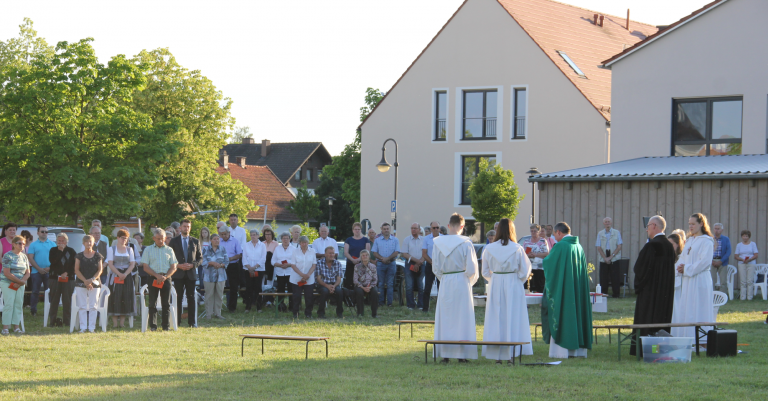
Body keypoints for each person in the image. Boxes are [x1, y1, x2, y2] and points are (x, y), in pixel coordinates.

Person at [482, 218, 533, 363]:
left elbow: (485, 271)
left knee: (497, 316)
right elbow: (525, 271)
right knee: (512, 315)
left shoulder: (489, 248)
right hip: (513, 282)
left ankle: (497, 353)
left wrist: (495, 278)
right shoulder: (517, 248)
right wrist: (517, 280)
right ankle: (511, 352)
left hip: (496, 282)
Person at [432, 213, 479, 363]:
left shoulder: (438, 242)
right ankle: (461, 354)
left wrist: (444, 278)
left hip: (446, 281)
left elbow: (436, 267)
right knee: (461, 316)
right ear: (462, 226)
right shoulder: (466, 243)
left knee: (446, 316)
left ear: (448, 225)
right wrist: (468, 282)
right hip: (461, 281)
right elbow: (472, 269)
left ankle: (445, 353)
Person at [542, 222, 592, 358]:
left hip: (564, 289)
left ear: (559, 232)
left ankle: (561, 351)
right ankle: (578, 351)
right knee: (576, 314)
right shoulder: (579, 246)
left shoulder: (560, 246)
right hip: (576, 289)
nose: (554, 238)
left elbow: (548, 263)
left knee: (563, 313)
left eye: (554, 235)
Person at [629, 216, 676, 356]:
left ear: (654, 226)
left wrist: (639, 285)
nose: (647, 229)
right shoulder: (669, 246)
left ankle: (645, 350)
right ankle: (661, 350)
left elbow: (640, 269)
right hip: (665, 292)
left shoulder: (652, 245)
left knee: (647, 318)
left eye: (648, 226)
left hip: (650, 293)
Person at [671, 213, 715, 342]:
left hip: (700, 279)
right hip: (688, 279)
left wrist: (687, 268)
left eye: (693, 224)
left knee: (699, 308)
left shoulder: (707, 241)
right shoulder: (690, 240)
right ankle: (687, 338)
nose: (690, 226)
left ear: (701, 224)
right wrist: (679, 268)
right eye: (689, 224)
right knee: (687, 308)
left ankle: (701, 340)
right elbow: (682, 258)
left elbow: (704, 262)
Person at [142, 228, 178, 331]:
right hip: (153, 278)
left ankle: (165, 326)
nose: (161, 241)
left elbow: (174, 266)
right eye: (158, 239)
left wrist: (165, 277)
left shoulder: (169, 250)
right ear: (154, 238)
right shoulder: (148, 249)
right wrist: (157, 275)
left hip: (166, 278)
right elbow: (145, 266)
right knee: (152, 302)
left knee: (166, 303)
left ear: (166, 238)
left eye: (162, 239)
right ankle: (153, 326)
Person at [169, 220, 202, 327]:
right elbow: (169, 258)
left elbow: (200, 258)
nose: (186, 228)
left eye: (188, 226)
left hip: (190, 274)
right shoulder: (173, 241)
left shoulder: (195, 241)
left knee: (191, 298)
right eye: (184, 226)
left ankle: (192, 322)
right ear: (180, 228)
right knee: (177, 298)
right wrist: (178, 265)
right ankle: (177, 321)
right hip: (178, 273)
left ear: (190, 228)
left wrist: (193, 265)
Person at [106, 229, 138, 328]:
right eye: (122, 238)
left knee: (126, 297)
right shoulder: (112, 249)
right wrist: (119, 274)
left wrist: (126, 274)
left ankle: (122, 323)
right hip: (115, 274)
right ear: (118, 238)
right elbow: (110, 264)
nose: (124, 240)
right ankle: (115, 323)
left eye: (126, 238)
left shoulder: (129, 249)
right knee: (115, 297)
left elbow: (132, 264)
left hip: (127, 276)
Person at [74, 235, 104, 333]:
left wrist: (91, 280)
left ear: (93, 242)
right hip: (81, 283)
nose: (89, 243)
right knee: (82, 306)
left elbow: (100, 270)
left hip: (94, 283)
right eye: (86, 241)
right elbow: (76, 270)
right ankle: (83, 327)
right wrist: (85, 281)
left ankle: (91, 328)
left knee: (93, 306)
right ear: (83, 243)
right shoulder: (79, 255)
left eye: (90, 241)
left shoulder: (98, 255)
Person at [1, 236, 30, 334]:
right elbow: (7, 273)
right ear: (13, 244)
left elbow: (28, 272)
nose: (22, 245)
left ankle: (16, 327)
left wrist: (22, 281)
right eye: (19, 243)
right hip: (7, 282)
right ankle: (5, 328)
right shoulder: (7, 255)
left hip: (20, 284)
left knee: (18, 304)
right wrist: (19, 281)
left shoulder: (24, 256)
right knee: (9, 304)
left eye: (23, 244)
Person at [48, 233, 76, 327]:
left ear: (66, 241)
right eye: (59, 241)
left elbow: (74, 266)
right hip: (54, 279)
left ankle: (67, 322)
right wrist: (60, 251)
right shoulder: (53, 250)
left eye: (63, 241)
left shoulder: (71, 251)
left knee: (67, 301)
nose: (61, 242)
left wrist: (66, 273)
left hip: (68, 279)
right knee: (54, 300)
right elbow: (53, 262)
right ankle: (52, 321)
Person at [27, 226, 56, 316]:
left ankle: (51, 310)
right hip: (36, 272)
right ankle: (33, 311)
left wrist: (49, 268)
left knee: (50, 292)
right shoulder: (33, 244)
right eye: (42, 231)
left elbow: (56, 259)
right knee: (35, 291)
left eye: (46, 232)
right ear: (38, 233)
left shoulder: (53, 244)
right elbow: (30, 258)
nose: (44, 233)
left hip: (49, 271)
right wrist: (39, 269)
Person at [371, 222, 400, 307]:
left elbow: (396, 252)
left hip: (391, 264)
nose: (386, 230)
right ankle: (381, 302)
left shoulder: (395, 240)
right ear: (381, 230)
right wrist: (382, 259)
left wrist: (388, 259)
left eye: (387, 229)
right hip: (380, 264)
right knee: (380, 283)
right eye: (384, 229)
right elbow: (374, 252)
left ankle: (389, 303)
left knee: (390, 283)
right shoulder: (377, 240)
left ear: (390, 230)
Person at [202, 234, 228, 319]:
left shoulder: (222, 249)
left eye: (218, 239)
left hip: (220, 276)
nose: (217, 240)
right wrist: (212, 263)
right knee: (209, 295)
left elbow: (226, 261)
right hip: (208, 276)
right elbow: (203, 261)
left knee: (219, 295)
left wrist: (220, 265)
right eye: (215, 239)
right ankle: (209, 314)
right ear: (211, 240)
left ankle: (218, 313)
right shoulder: (205, 249)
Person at [596, 217, 623, 298]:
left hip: (614, 256)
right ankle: (604, 294)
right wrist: (605, 258)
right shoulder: (600, 233)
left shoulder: (616, 232)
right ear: (603, 223)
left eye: (609, 222)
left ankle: (616, 294)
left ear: (611, 223)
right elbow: (598, 247)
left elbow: (619, 246)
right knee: (603, 277)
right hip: (603, 255)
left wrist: (611, 257)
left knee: (615, 276)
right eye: (606, 222)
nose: (607, 223)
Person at [290, 236, 316, 319]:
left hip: (309, 278)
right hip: (297, 278)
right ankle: (295, 313)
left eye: (306, 242)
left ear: (308, 243)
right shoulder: (295, 251)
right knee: (296, 296)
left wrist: (307, 275)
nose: (304, 244)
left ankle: (308, 313)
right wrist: (302, 275)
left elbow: (314, 264)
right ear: (299, 243)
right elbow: (293, 265)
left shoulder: (312, 251)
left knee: (309, 297)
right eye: (302, 243)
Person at [401, 222, 425, 310]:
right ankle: (410, 305)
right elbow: (404, 254)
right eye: (412, 228)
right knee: (409, 286)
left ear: (419, 229)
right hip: (409, 264)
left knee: (420, 286)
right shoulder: (406, 240)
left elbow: (426, 253)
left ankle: (420, 305)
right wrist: (416, 261)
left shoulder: (424, 240)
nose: (413, 230)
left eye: (415, 228)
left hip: (421, 264)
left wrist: (419, 262)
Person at [219, 226, 243, 313]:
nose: (224, 236)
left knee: (234, 286)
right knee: (219, 286)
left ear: (229, 233)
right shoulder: (219, 241)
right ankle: (218, 307)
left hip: (233, 265)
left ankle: (232, 307)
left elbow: (239, 254)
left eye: (225, 234)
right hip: (221, 266)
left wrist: (230, 258)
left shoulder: (235, 241)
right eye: (222, 234)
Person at [315, 246, 344, 318]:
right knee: (325, 291)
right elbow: (318, 279)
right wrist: (327, 286)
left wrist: (334, 286)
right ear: (325, 254)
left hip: (334, 284)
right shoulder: (319, 263)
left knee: (339, 291)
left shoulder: (338, 263)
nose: (332, 255)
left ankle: (339, 313)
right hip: (322, 284)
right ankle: (321, 313)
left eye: (333, 253)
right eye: (330, 253)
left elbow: (339, 278)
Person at [242, 229, 266, 313]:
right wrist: (249, 267)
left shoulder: (262, 245)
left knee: (258, 288)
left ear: (258, 235)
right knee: (249, 288)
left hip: (259, 270)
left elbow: (263, 258)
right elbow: (244, 257)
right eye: (251, 235)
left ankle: (259, 307)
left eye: (254, 235)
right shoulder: (246, 245)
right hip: (248, 270)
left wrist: (255, 267)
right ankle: (248, 306)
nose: (253, 236)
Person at [522, 224, 549, 293]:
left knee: (540, 285)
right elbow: (524, 253)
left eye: (535, 231)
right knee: (528, 285)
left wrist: (536, 254)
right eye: (532, 231)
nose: (533, 233)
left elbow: (546, 253)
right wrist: (529, 255)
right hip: (529, 266)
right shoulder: (527, 242)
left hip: (539, 267)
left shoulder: (542, 241)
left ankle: (540, 301)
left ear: (539, 232)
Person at [272, 232, 295, 312]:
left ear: (290, 239)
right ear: (281, 239)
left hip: (290, 272)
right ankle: (281, 307)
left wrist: (288, 264)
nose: (285, 240)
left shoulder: (294, 249)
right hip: (280, 273)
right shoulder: (277, 249)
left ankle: (292, 307)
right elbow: (273, 261)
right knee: (280, 290)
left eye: (287, 238)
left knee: (291, 290)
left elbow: (296, 261)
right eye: (284, 238)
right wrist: (277, 264)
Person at [343, 222, 370, 290]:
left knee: (362, 281)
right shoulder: (348, 240)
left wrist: (359, 259)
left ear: (361, 230)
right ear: (353, 230)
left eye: (358, 229)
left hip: (362, 264)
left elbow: (367, 252)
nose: (357, 231)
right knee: (350, 282)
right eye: (355, 229)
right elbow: (346, 252)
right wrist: (353, 260)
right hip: (350, 264)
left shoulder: (365, 240)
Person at [421, 221, 441, 312]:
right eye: (434, 228)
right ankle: (425, 308)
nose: (436, 229)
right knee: (427, 287)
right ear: (431, 229)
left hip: (441, 266)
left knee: (441, 288)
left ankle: (441, 308)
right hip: (430, 265)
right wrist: (432, 263)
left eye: (437, 227)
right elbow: (424, 254)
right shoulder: (426, 239)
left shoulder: (444, 238)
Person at [353, 250, 378, 318]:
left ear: (369, 256)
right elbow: (355, 280)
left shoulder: (373, 266)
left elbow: (375, 280)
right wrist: (363, 287)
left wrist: (370, 287)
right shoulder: (357, 266)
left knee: (375, 291)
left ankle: (374, 314)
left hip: (370, 286)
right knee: (359, 292)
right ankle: (360, 313)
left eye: (366, 255)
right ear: (361, 257)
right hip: (360, 286)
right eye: (363, 255)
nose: (365, 257)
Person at [734, 230, 758, 300]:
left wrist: (749, 259)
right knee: (743, 281)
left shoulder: (753, 244)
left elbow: (756, 254)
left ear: (749, 237)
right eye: (744, 236)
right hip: (742, 263)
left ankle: (750, 297)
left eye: (746, 236)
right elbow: (736, 256)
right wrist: (742, 259)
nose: (745, 237)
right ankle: (743, 297)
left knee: (750, 281)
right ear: (742, 237)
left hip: (751, 263)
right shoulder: (739, 245)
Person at [710, 223, 731, 291]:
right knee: (711, 280)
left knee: (723, 281)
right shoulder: (710, 239)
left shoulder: (726, 239)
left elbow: (728, 252)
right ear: (713, 229)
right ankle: (712, 296)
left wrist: (721, 261)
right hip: (712, 261)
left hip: (722, 262)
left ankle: (722, 297)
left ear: (721, 230)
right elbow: (706, 251)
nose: (716, 230)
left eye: (718, 229)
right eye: (715, 228)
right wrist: (711, 261)